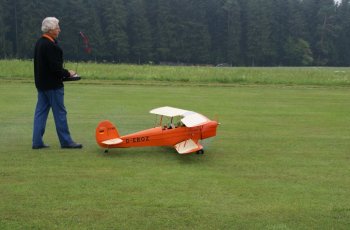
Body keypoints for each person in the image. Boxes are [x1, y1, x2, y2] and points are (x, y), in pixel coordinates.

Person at [32, 17, 82, 149]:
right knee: (60, 113)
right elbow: (55, 69)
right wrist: (68, 73)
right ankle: (66, 141)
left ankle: (37, 142)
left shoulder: (39, 42)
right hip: (53, 86)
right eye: (57, 27)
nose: (59, 29)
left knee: (40, 113)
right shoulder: (50, 45)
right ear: (50, 30)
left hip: (41, 85)